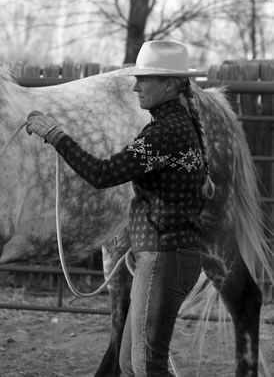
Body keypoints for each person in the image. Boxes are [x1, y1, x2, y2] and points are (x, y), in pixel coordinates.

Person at [25, 40, 214, 377]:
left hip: (163, 257)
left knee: (145, 364)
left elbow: (103, 173)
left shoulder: (164, 133)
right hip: (165, 255)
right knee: (132, 363)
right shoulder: (181, 127)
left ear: (169, 85)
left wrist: (56, 136)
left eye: (144, 79)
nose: (135, 84)